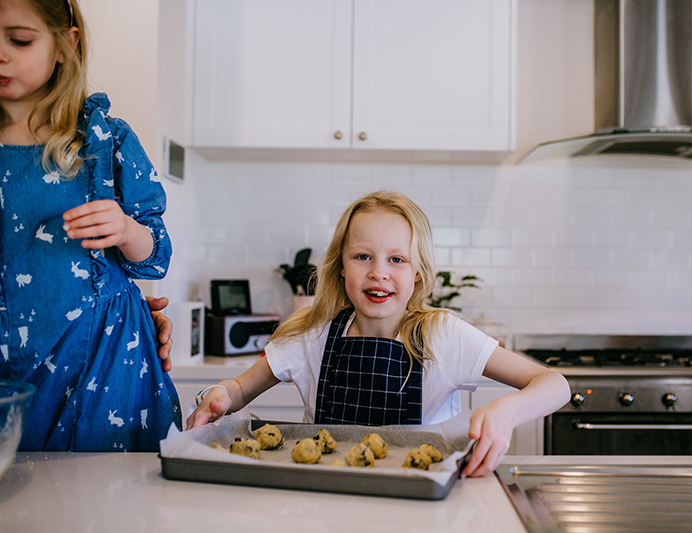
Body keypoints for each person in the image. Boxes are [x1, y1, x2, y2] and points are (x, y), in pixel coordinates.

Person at [188, 190, 570, 477]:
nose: (379, 272)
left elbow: (554, 384)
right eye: (363, 256)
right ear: (340, 266)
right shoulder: (313, 337)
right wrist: (219, 395)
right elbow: (239, 390)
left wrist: (507, 410)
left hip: (420, 505)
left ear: (418, 271)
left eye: (397, 259)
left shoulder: (443, 337)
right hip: (327, 499)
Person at [0, 0, 181, 451]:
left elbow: (156, 252)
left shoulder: (103, 137)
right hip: (11, 366)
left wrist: (124, 230)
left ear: (66, 44)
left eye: (19, 40)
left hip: (104, 364)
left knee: (101, 509)